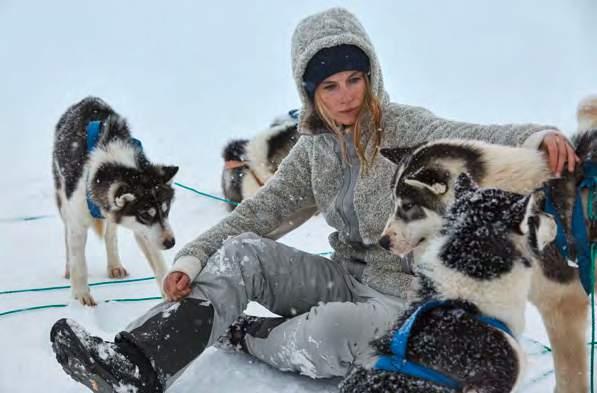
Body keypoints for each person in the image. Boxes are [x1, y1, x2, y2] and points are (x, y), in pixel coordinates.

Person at [49, 7, 578, 393]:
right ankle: (136, 363)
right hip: (341, 275)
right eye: (330, 86)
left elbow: (475, 137)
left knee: (330, 332)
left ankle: (247, 335)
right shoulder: (314, 147)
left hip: (403, 301)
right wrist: (193, 257)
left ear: (371, 77)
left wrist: (539, 138)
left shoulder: (407, 128)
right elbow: (260, 212)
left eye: (355, 78)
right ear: (310, 94)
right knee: (242, 254)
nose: (347, 95)